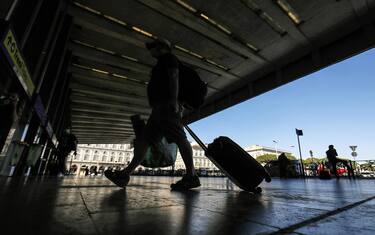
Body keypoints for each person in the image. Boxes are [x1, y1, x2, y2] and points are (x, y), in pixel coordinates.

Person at [105, 38, 200, 190]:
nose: (150, 50)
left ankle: (191, 175)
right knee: (145, 140)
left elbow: (174, 76)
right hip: (158, 109)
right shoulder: (160, 63)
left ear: (162, 48)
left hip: (167, 106)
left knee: (179, 138)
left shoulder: (169, 58)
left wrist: (174, 100)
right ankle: (124, 175)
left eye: (152, 47)